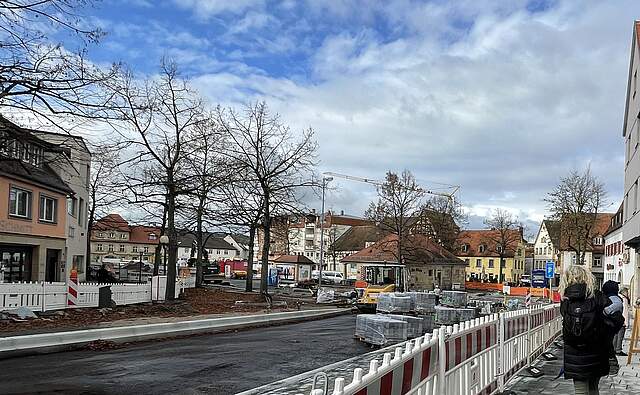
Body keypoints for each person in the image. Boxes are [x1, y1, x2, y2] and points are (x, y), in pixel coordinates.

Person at [559, 265, 611, 395]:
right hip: (597, 350)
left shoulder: (566, 300)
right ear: (587, 278)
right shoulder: (598, 296)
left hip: (574, 353)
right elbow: (617, 319)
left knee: (581, 390)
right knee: (593, 387)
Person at [614, 287, 631, 356]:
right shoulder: (624, 299)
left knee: (615, 335)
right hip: (622, 320)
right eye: (627, 292)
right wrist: (626, 323)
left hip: (616, 319)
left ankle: (614, 349)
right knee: (620, 336)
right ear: (624, 292)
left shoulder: (617, 298)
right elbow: (625, 312)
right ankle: (618, 350)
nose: (628, 294)